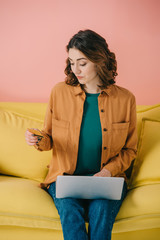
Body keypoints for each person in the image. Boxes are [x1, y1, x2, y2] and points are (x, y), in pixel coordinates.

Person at [25, 29, 137, 240]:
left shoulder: (126, 99)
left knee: (101, 211)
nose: (75, 69)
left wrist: (107, 172)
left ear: (99, 61)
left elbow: (130, 150)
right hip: (65, 179)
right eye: (71, 62)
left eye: (82, 63)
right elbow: (48, 138)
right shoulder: (59, 92)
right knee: (69, 212)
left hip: (107, 181)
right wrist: (37, 139)